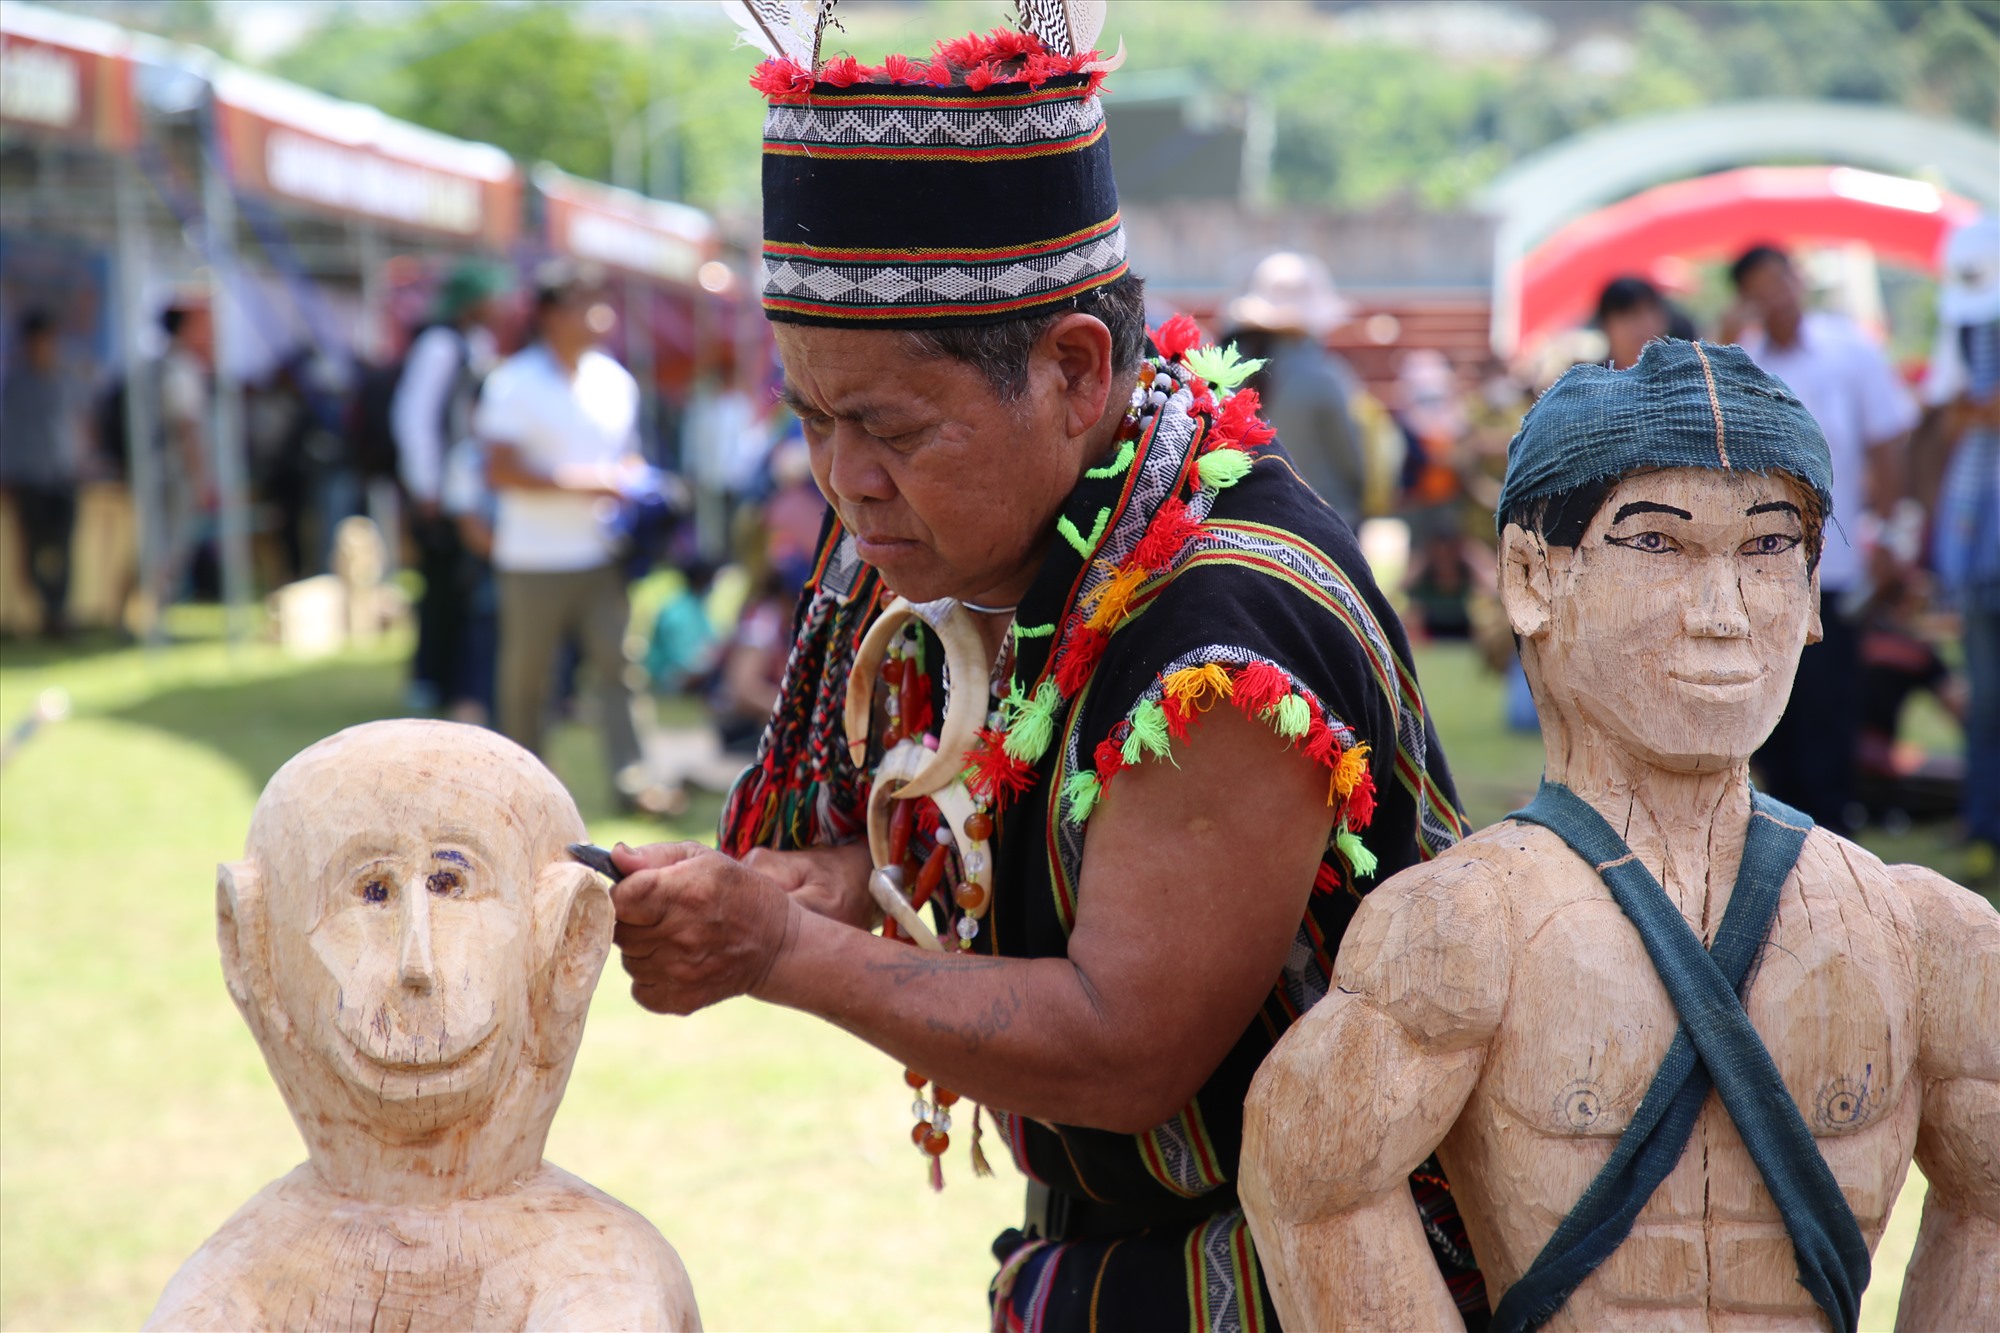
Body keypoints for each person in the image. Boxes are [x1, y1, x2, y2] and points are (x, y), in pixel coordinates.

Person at [606, 26, 1485, 1330]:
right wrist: (832, 880)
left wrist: (779, 947)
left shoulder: (1219, 631)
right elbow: (989, 840)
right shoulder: (999, 534)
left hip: (1319, 1286)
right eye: (810, 417)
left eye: (890, 427)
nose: (841, 479)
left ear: (1077, 370)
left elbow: (1125, 1043)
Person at [1240, 339, 2000, 1332]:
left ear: (1814, 591)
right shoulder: (1460, 932)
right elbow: (1312, 1185)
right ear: (1528, 576)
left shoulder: (1927, 940)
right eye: (1655, 544)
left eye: (1767, 547)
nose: (1722, 614)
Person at [1722, 244, 1919, 831]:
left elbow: (1887, 446)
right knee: (1768, 707)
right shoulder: (1744, 360)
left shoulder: (1849, 350)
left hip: (1835, 565)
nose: (1776, 295)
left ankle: (1833, 831)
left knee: (1831, 707)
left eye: (1781, 280)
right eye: (1761, 287)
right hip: (1758, 568)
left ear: (1798, 278)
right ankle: (1775, 830)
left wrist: (1892, 534)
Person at [477, 260, 649, 805]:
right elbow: (498, 471)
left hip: (600, 554)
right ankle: (519, 790)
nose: (600, 314)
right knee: (528, 682)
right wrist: (586, 483)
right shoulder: (511, 383)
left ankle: (633, 781)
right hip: (532, 558)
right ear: (551, 315)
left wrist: (634, 482)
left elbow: (627, 457)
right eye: (585, 303)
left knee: (619, 667)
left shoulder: (615, 381)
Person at [392, 260, 509, 711]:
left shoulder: (477, 343)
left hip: (471, 488)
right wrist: (427, 486)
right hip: (442, 492)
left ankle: (464, 683)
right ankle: (429, 681)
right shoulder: (440, 345)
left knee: (468, 593)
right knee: (440, 588)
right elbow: (415, 417)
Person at [1924, 216, 2000, 882]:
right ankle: (1984, 825)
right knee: (1985, 697)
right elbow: (1951, 413)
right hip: (1979, 539)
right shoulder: (1965, 329)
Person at [1225, 252, 1366, 527]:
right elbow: (1353, 465)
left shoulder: (1227, 373)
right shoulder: (1326, 376)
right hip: (1326, 528)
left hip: (1248, 527)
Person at [0, 310, 87, 637]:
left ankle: (59, 613)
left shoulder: (66, 380)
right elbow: (8, 433)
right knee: (34, 548)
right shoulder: (16, 385)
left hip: (63, 476)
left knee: (63, 547)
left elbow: (79, 425)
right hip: (29, 478)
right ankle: (45, 612)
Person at [156, 299, 214, 615]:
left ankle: (150, 615)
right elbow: (187, 426)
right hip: (175, 471)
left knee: (161, 545)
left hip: (161, 469)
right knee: (168, 548)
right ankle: (151, 617)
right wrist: (199, 475)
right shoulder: (180, 367)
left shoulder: (159, 365)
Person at [1593, 275, 1670, 371]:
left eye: (1640, 314)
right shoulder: (1590, 382)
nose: (1637, 327)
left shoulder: (1682, 376)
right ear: (1605, 325)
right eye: (1625, 316)